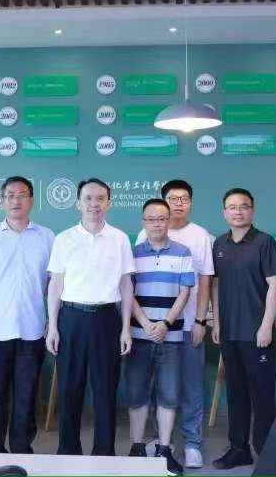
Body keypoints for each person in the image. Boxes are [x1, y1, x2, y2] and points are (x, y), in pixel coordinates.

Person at [0, 176, 55, 454]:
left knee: (27, 394)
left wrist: (51, 322)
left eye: (22, 195)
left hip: (33, 329)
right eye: (10, 195)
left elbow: (55, 284)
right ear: (2, 201)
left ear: (32, 200)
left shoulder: (47, 237)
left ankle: (21, 446)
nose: (16, 200)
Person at [45, 178, 134, 456]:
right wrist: (53, 327)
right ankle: (68, 451)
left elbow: (126, 285)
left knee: (105, 390)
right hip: (71, 319)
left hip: (107, 319)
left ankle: (104, 453)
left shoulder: (119, 238)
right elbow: (55, 285)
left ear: (109, 203)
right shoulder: (64, 239)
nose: (94, 204)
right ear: (78, 203)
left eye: (100, 198)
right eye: (88, 198)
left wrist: (126, 328)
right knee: (69, 389)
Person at [136, 179, 214, 469]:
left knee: (192, 384)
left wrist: (200, 320)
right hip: (153, 327)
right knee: (158, 387)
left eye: (184, 199)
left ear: (191, 203)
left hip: (188, 322)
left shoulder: (200, 235)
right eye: (173, 198)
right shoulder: (144, 234)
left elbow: (205, 280)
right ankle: (162, 440)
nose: (179, 203)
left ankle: (193, 443)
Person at [210, 187, 276, 470]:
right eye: (232, 207)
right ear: (223, 212)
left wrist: (266, 326)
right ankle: (238, 449)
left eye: (243, 206)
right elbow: (216, 284)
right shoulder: (219, 244)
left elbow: (275, 285)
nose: (237, 211)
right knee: (236, 392)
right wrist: (217, 322)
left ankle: (267, 452)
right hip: (229, 332)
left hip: (257, 333)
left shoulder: (265, 242)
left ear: (252, 210)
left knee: (262, 394)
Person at [126, 199, 193, 475]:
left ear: (169, 221)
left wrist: (165, 323)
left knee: (169, 395)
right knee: (136, 394)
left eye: (162, 218)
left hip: (171, 336)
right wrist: (145, 322)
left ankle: (164, 450)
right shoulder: (131, 253)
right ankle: (137, 448)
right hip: (138, 335)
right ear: (143, 222)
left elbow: (185, 292)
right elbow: (126, 292)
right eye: (151, 219)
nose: (157, 223)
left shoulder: (183, 252)